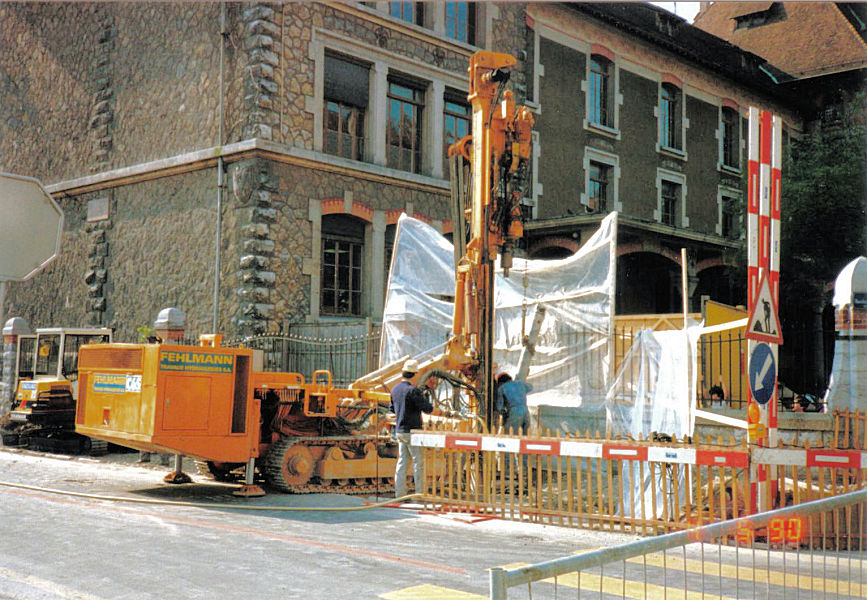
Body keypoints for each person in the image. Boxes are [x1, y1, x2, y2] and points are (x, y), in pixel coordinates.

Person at [391, 359, 433, 501]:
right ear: (414, 375)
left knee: (402, 462)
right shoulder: (413, 390)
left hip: (399, 431)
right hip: (413, 432)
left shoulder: (395, 389)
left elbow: (392, 409)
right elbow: (428, 408)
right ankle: (419, 496)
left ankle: (399, 495)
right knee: (418, 463)